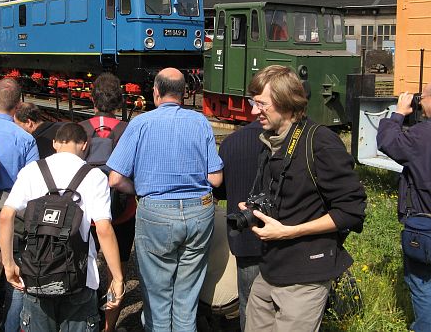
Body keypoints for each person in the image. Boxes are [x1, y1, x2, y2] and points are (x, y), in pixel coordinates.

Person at [242, 65, 366, 332]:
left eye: (261, 104)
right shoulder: (272, 140)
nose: (254, 111)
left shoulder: (320, 142)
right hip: (270, 269)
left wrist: (289, 232)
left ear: (285, 102)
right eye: (253, 103)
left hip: (305, 277)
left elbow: (352, 210)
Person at [107, 67, 224, 331]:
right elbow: (215, 179)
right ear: (184, 94)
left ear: (156, 92)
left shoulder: (140, 123)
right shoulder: (200, 122)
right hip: (199, 213)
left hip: (156, 214)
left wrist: (142, 188)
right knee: (186, 299)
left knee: (157, 300)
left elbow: (115, 179)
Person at [0, 123, 125, 332]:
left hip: (37, 273)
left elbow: (5, 216)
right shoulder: (95, 177)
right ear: (85, 145)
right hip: (80, 277)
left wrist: (8, 264)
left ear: (55, 144)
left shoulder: (31, 171)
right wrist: (118, 278)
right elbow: (103, 229)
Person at [0, 78, 39, 331]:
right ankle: (10, 323)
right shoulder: (26, 139)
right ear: (19, 105)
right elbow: (33, 181)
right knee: (16, 263)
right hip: (14, 212)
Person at [80, 72, 135, 332]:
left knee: (85, 267)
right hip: (123, 214)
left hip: (87, 214)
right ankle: (108, 327)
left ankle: (87, 318)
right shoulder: (128, 130)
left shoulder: (80, 129)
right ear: (120, 101)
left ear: (92, 99)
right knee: (117, 272)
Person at [377, 84, 431, 332]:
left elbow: (387, 141)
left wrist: (399, 112)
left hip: (424, 224)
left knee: (422, 284)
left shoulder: (421, 135)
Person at [216, 120, 263, 331]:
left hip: (246, 237)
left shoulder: (231, 143)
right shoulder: (296, 140)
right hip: (288, 237)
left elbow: (220, 191)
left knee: (249, 304)